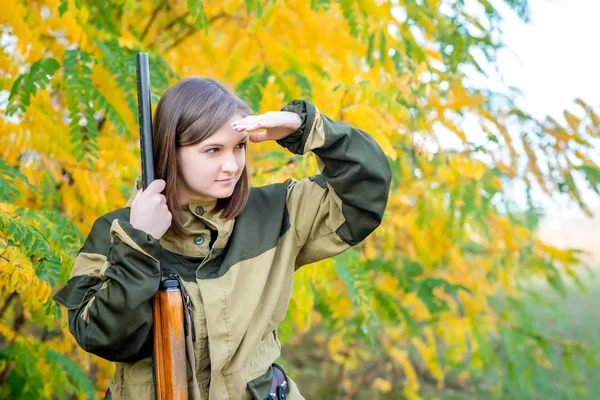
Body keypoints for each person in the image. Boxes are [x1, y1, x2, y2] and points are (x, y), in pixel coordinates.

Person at [53, 77, 392, 400]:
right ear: (170, 150)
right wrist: (139, 245)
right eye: (213, 150)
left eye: (239, 147)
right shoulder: (117, 232)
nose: (232, 165)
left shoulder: (276, 213)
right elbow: (101, 336)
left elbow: (368, 190)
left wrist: (303, 126)